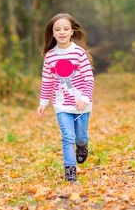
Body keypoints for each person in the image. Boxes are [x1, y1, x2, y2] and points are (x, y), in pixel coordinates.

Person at [37, 12, 94, 183]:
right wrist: (43, 102)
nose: (61, 32)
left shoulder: (79, 54)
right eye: (57, 29)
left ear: (71, 31)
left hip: (82, 105)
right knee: (68, 137)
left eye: (65, 29)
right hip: (61, 105)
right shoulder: (50, 56)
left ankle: (82, 145)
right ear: (52, 33)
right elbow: (47, 80)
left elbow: (89, 78)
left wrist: (84, 98)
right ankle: (70, 173)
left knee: (80, 137)